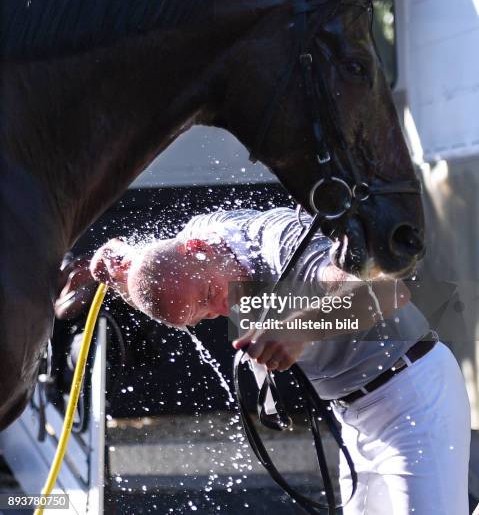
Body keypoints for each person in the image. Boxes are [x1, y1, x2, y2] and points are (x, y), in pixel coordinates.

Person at [66, 207, 470, 514]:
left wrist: (303, 328)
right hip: (355, 414)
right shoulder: (199, 244)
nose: (222, 308)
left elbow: (391, 293)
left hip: (412, 395)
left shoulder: (283, 246)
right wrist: (120, 260)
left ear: (198, 250)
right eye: (206, 314)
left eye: (209, 296)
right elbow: (158, 263)